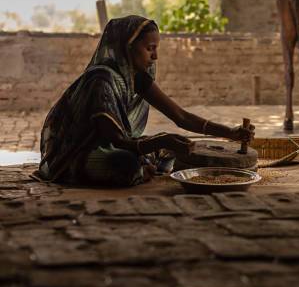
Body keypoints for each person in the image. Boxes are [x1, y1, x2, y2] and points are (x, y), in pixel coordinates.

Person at [35, 15, 254, 186]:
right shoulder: (101, 79)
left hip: (118, 145)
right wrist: (160, 140)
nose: (155, 57)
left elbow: (181, 117)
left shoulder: (135, 77)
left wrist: (230, 133)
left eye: (156, 49)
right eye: (150, 49)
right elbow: (117, 140)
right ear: (127, 47)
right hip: (81, 152)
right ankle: (137, 170)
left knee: (171, 150)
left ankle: (143, 168)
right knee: (126, 164)